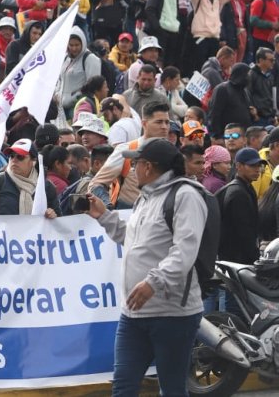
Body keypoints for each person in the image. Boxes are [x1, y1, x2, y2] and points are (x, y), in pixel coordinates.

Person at [85, 138, 207, 397]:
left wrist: (153, 282)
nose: (131, 169)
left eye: (135, 163)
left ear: (148, 167)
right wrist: (104, 216)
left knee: (172, 389)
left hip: (172, 314)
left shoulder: (185, 196)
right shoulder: (145, 198)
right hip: (133, 314)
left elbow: (185, 252)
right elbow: (131, 238)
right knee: (123, 387)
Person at [0, 139, 59, 216]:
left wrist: (52, 216)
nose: (14, 160)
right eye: (11, 156)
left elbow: (59, 221)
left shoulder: (46, 187)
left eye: (20, 157)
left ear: (34, 161)